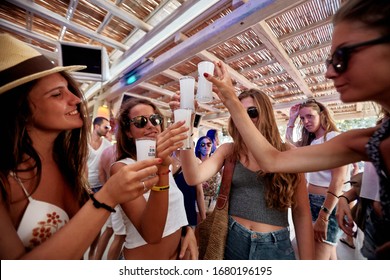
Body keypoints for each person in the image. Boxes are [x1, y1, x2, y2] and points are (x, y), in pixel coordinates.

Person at [201, 0, 390, 259]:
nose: (328, 73)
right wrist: (348, 196)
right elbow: (273, 159)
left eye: (341, 57)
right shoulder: (368, 139)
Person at [0, 33, 162, 259]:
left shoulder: (71, 164)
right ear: (21, 110)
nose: (76, 99)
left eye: (68, 89)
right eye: (57, 94)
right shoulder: (5, 179)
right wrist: (107, 196)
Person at [177, 89, 314, 260]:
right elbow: (193, 176)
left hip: (274, 247)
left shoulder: (286, 153)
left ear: (265, 115)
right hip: (233, 240)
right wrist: (185, 128)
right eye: (238, 112)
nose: (244, 119)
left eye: (252, 112)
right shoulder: (229, 151)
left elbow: (301, 213)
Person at [111, 98, 198, 260]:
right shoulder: (122, 169)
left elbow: (173, 208)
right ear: (128, 132)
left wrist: (188, 230)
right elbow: (151, 234)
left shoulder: (165, 163)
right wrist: (162, 170)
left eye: (155, 119)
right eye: (140, 122)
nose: (150, 125)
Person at [286, 100, 351, 259]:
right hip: (311, 202)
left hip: (326, 205)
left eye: (310, 116)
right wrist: (291, 120)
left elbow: (339, 179)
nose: (305, 121)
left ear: (322, 115)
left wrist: (324, 216)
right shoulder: (311, 142)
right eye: (302, 118)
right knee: (328, 256)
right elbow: (288, 147)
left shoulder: (332, 137)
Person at [86, 116, 113, 259]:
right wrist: (83, 185)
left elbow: (107, 167)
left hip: (99, 188)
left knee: (96, 226)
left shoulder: (108, 145)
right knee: (81, 225)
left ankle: (92, 254)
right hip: (84, 187)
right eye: (105, 127)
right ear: (96, 127)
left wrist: (106, 187)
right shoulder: (84, 143)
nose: (108, 129)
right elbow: (79, 166)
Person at [172, 150, 206, 227]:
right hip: (172, 215)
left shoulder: (195, 162)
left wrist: (204, 219)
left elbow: (199, 193)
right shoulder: (167, 161)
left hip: (189, 214)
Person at [194, 136, 222, 214]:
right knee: (200, 225)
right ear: (199, 148)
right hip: (199, 200)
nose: (206, 147)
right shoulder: (195, 162)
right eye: (203, 145)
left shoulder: (216, 162)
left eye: (209, 144)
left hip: (214, 201)